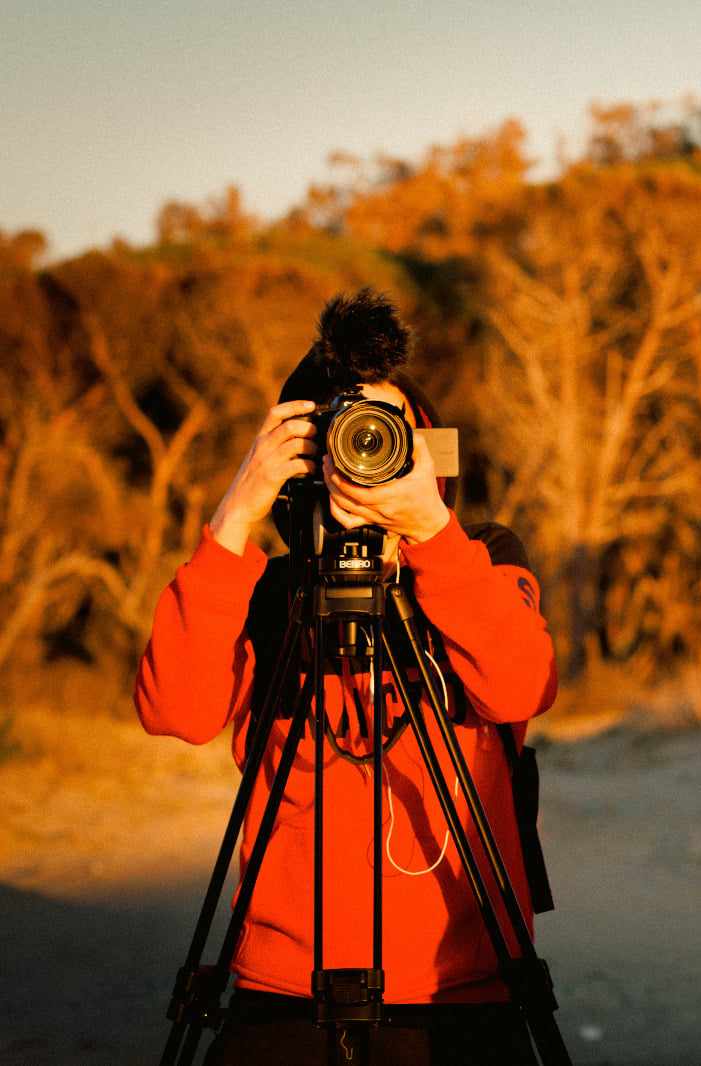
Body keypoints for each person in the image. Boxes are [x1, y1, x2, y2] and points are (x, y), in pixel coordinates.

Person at [134, 290, 559, 1065]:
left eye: (387, 433)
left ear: (426, 453)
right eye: (346, 433)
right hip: (283, 985)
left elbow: (519, 687)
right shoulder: (267, 591)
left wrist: (429, 532)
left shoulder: (483, 562)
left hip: (459, 989)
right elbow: (176, 712)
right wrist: (235, 516)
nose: (366, 449)